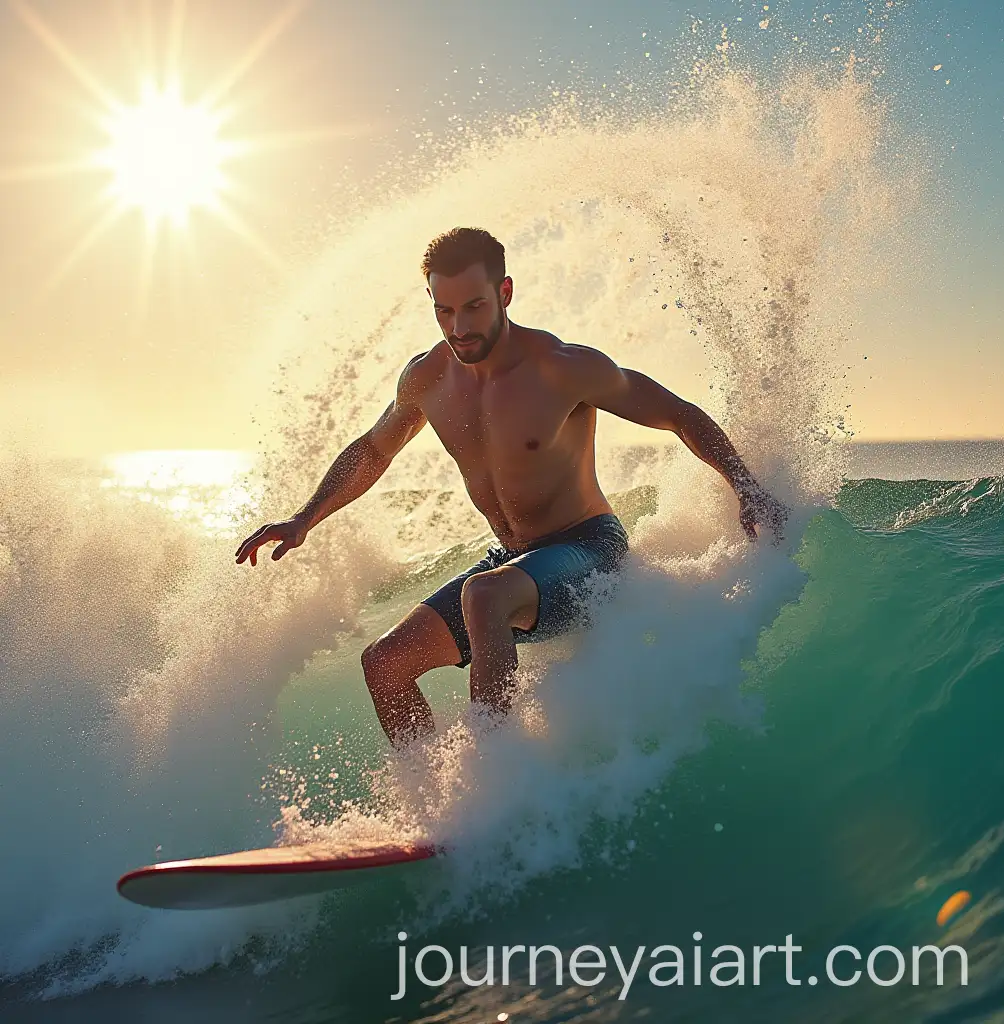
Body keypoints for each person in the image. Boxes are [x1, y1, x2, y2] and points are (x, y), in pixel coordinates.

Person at [235, 227, 789, 746]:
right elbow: (373, 450)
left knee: (485, 595)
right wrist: (304, 518)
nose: (459, 328)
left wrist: (747, 485)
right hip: (517, 561)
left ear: (504, 292)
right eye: (443, 310)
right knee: (384, 664)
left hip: (591, 553)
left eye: (474, 307)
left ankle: (491, 779)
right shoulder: (427, 378)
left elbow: (677, 414)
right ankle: (435, 803)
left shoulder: (560, 367)